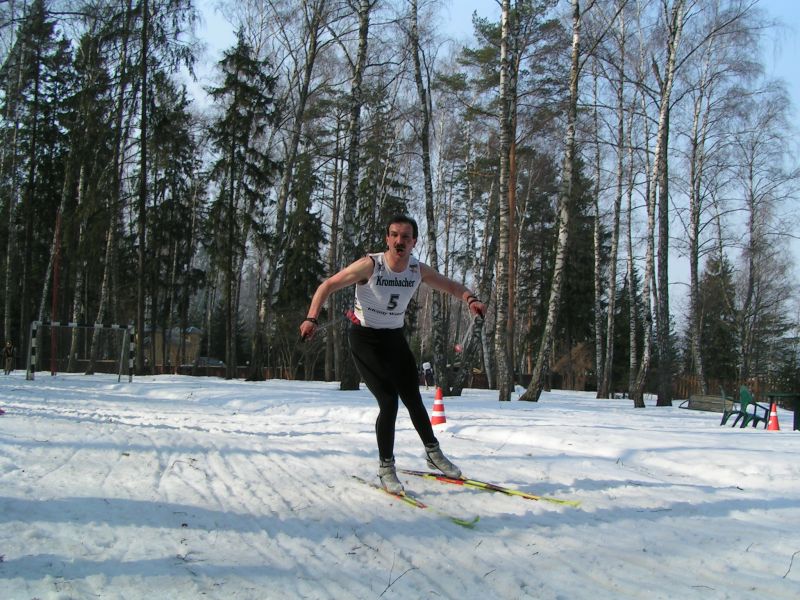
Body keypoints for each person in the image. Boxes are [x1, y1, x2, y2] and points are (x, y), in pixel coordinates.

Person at [300, 215, 486, 494]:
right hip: (365, 338)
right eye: (395, 235)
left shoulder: (416, 269)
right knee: (388, 402)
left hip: (394, 338)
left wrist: (470, 299)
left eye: (406, 237)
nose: (400, 241)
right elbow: (327, 285)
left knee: (413, 397)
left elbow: (451, 286)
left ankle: (433, 453)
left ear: (414, 242)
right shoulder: (370, 265)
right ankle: (386, 466)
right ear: (387, 238)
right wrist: (312, 318)